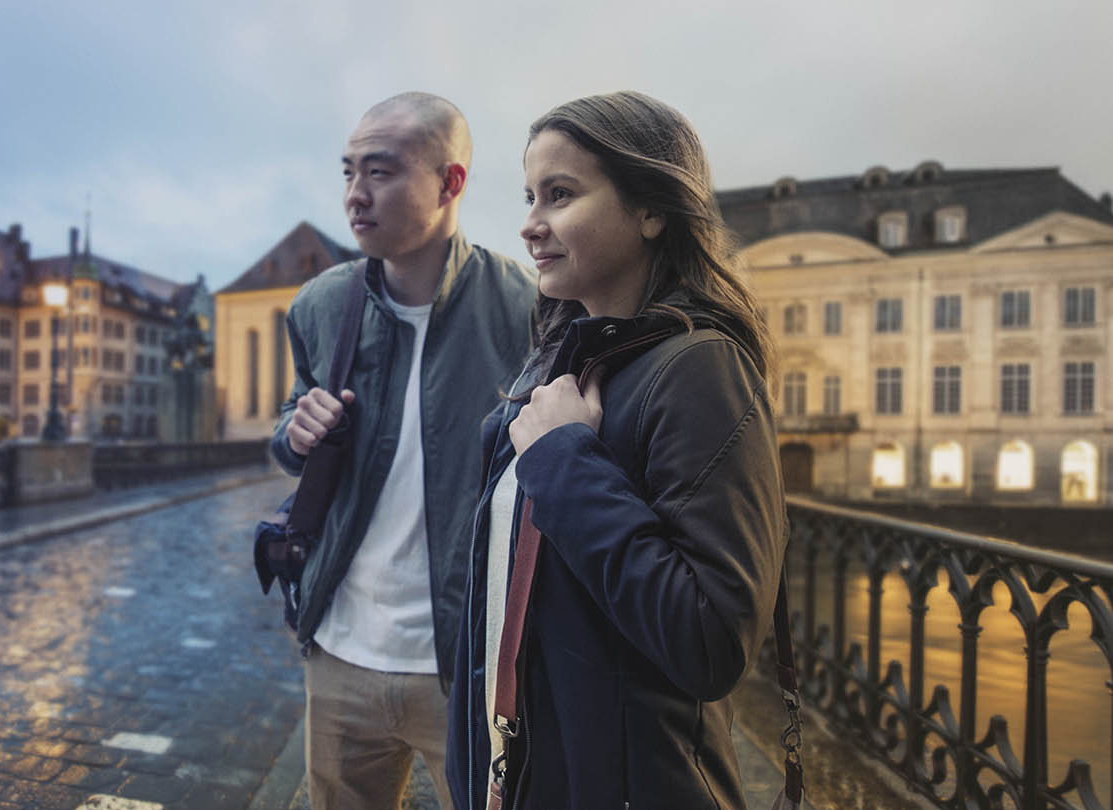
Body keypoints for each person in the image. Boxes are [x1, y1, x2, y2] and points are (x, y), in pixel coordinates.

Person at [445, 91, 787, 809]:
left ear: (651, 210)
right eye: (531, 196)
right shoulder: (554, 370)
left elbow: (710, 639)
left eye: (561, 195)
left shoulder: (700, 368)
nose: (530, 226)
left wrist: (567, 458)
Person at [270, 92, 537, 810]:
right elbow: (294, 420)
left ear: (451, 183)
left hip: (470, 664)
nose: (356, 195)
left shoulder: (526, 307)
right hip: (341, 655)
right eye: (349, 172)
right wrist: (296, 429)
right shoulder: (321, 305)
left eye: (381, 172)